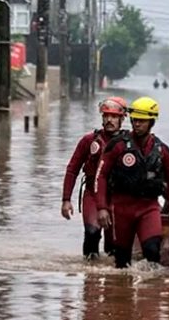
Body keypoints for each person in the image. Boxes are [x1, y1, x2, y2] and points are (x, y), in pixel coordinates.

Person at [95, 96, 169, 269]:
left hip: (148, 207)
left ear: (151, 122)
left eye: (142, 121)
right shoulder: (117, 146)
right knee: (122, 262)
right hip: (121, 208)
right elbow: (101, 176)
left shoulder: (161, 149)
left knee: (152, 251)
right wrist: (102, 207)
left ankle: (151, 294)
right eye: (135, 120)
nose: (137, 124)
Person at [61, 97, 127, 260]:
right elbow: (72, 169)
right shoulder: (88, 141)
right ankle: (90, 277)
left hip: (118, 196)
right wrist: (66, 199)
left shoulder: (129, 143)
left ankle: (113, 282)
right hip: (93, 193)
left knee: (114, 244)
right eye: (106, 116)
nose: (109, 120)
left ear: (122, 119)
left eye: (114, 117)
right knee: (92, 233)